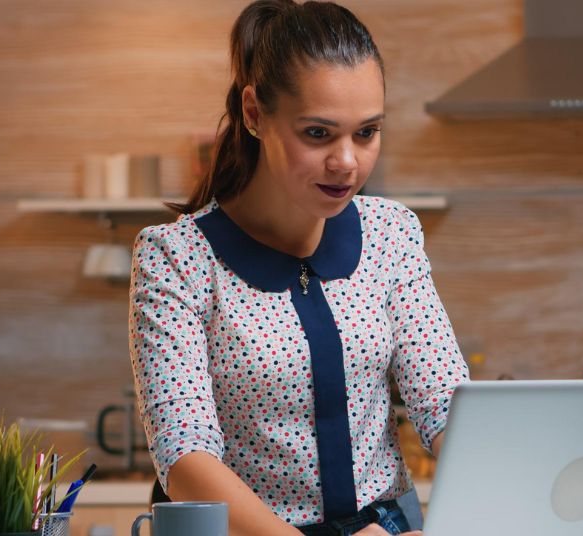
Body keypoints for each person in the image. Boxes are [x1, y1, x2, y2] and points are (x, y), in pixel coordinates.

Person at [128, 1, 469, 534]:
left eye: (366, 132)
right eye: (318, 134)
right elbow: (185, 457)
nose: (347, 162)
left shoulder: (391, 233)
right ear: (255, 114)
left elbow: (444, 400)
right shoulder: (178, 257)